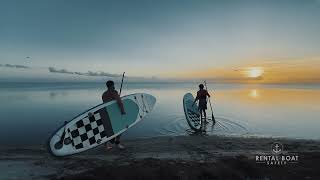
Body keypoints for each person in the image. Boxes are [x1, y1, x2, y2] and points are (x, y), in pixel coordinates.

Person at [102, 80, 126, 150]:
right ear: (112, 85)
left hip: (107, 114)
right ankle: (117, 143)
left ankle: (106, 145)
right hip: (115, 113)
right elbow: (119, 102)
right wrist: (122, 111)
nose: (114, 86)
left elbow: (106, 104)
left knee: (108, 129)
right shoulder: (114, 92)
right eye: (113, 85)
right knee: (121, 128)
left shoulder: (104, 94)